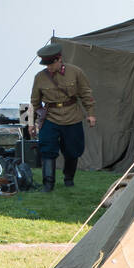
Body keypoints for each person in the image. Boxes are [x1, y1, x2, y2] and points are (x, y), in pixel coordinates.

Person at [30, 43, 95, 192]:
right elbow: (34, 102)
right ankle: (48, 184)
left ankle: (69, 179)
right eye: (45, 64)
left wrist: (91, 114)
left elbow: (86, 94)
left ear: (59, 59)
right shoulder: (39, 77)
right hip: (50, 118)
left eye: (50, 63)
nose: (48, 67)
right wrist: (32, 122)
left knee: (73, 150)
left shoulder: (76, 72)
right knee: (47, 149)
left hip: (72, 116)